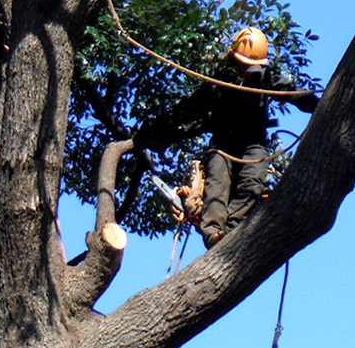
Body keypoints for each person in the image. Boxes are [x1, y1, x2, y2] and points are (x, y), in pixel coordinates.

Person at [136, 27, 319, 249]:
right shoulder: (219, 83)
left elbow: (291, 92)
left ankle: (232, 230)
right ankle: (213, 232)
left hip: (253, 144)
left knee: (254, 184)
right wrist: (155, 128)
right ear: (235, 59)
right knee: (218, 183)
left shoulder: (266, 77)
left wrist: (318, 104)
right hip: (223, 144)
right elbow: (188, 109)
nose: (248, 70)